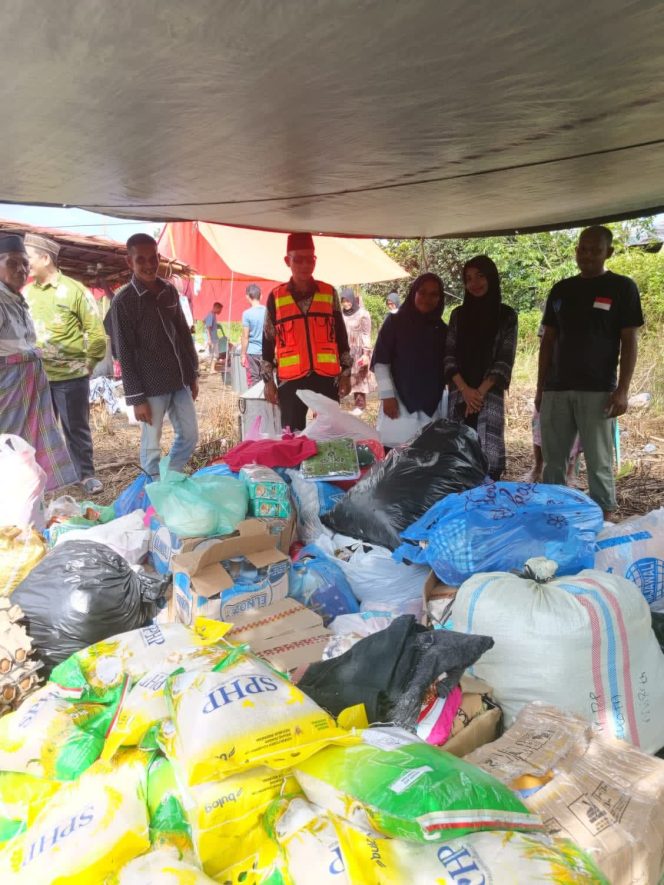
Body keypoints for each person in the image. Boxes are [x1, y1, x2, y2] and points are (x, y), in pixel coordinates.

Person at [536, 226, 644, 519]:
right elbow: (548, 341)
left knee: (599, 461)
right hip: (557, 388)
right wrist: (540, 387)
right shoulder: (561, 289)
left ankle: (604, 519)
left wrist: (623, 389)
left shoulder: (622, 288)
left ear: (608, 252)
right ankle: (553, 516)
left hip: (598, 390)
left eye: (595, 250)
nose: (587, 255)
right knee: (553, 462)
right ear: (576, 251)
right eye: (583, 249)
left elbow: (629, 340)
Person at [107, 234, 199, 480]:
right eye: (141, 260)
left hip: (179, 380)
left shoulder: (168, 290)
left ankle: (170, 479)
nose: (148, 265)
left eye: (152, 259)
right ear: (130, 262)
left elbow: (183, 334)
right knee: (151, 445)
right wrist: (136, 398)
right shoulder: (123, 301)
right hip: (150, 386)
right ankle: (154, 491)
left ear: (159, 258)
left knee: (190, 435)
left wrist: (193, 375)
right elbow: (124, 352)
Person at [23, 233, 107, 495]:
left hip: (71, 377)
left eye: (29, 257)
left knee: (75, 429)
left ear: (45, 258)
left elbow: (96, 333)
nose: (25, 263)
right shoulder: (25, 293)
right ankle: (41, 482)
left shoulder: (73, 290)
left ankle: (86, 476)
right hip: (36, 377)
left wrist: (89, 363)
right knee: (38, 433)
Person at [0, 234, 76, 490]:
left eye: (24, 264)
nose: (21, 270)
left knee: (24, 456)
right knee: (8, 452)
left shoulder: (17, 301)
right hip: (8, 397)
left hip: (28, 395)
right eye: (12, 263)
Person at [261, 233, 351, 431]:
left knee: (330, 433)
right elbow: (268, 341)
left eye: (310, 259)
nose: (305, 265)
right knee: (292, 436)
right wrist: (268, 381)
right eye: (298, 259)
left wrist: (346, 373)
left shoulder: (329, 293)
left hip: (327, 378)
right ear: (287, 261)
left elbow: (341, 337)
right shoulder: (276, 297)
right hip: (291, 381)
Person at [444, 256, 518, 480]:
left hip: (488, 396)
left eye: (480, 276)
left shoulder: (506, 316)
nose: (474, 283)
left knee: (488, 459)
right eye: (468, 279)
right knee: (457, 457)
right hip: (460, 396)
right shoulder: (458, 315)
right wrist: (465, 391)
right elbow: (448, 355)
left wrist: (478, 394)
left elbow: (504, 360)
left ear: (491, 277)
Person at [372, 273, 447, 448]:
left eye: (434, 294)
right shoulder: (395, 321)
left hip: (431, 405)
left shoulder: (442, 329)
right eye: (422, 292)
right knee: (394, 455)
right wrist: (387, 396)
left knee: (424, 456)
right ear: (413, 292)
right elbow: (381, 361)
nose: (427, 298)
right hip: (398, 403)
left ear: (440, 298)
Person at [340, 287, 374, 414]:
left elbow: (366, 334)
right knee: (344, 376)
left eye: (348, 300)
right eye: (343, 301)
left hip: (359, 351)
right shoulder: (341, 314)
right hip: (346, 350)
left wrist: (366, 354)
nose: (346, 304)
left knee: (359, 377)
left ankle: (360, 405)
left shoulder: (363, 314)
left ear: (353, 300)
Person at [241, 284, 265, 387]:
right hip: (266, 352)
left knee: (254, 380)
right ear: (261, 296)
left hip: (252, 353)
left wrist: (243, 354)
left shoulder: (247, 314)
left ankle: (254, 402)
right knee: (267, 380)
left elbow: (245, 336)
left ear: (247, 297)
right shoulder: (268, 311)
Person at [203, 302, 223, 374]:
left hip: (213, 337)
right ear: (216, 308)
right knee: (214, 354)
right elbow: (208, 327)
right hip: (212, 338)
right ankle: (211, 369)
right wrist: (209, 339)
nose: (220, 311)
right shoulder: (211, 315)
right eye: (220, 310)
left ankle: (211, 368)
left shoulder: (212, 315)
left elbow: (203, 321)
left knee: (212, 353)